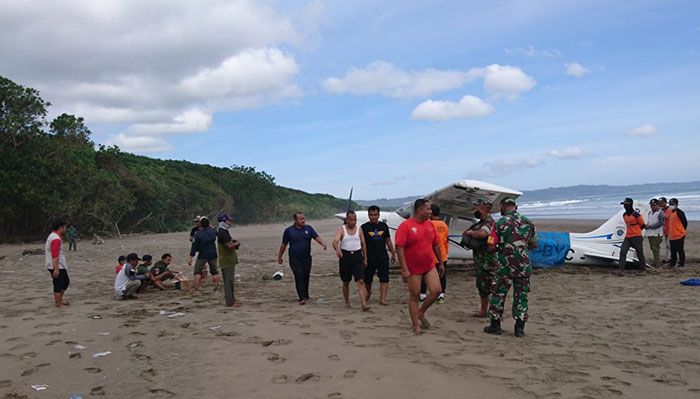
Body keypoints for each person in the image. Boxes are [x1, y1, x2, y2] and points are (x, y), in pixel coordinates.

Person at [484, 197, 537, 337]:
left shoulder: (499, 224)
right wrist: (521, 249)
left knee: (498, 295)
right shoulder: (528, 222)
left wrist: (502, 248)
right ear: (516, 207)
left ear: (502, 207)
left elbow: (490, 246)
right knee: (521, 296)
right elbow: (533, 244)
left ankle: (495, 326)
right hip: (523, 266)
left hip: (504, 266)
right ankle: (519, 329)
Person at [395, 199, 445, 335]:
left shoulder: (430, 225)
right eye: (428, 209)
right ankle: (415, 325)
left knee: (436, 291)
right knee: (415, 295)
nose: (430, 212)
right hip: (412, 267)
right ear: (419, 210)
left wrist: (440, 262)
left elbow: (436, 244)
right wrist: (404, 268)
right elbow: (399, 247)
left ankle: (421, 312)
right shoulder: (406, 226)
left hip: (429, 265)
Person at [277, 212, 327, 305]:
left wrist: (322, 243)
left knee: (306, 276)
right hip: (294, 258)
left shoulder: (309, 228)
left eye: (303, 218)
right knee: (298, 275)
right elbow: (284, 244)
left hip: (307, 257)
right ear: (295, 220)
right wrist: (280, 256)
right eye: (300, 219)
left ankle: (305, 294)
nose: (303, 220)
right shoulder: (289, 231)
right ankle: (301, 298)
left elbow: (316, 237)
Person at [463, 199, 497, 317]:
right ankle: (484, 311)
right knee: (482, 287)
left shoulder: (488, 222)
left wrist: (470, 233)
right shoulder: (482, 222)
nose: (475, 210)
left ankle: (491, 311)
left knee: (489, 287)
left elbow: (483, 234)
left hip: (487, 261)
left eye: (477, 207)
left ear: (482, 209)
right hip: (481, 261)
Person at [333, 211, 370, 311]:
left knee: (360, 281)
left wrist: (365, 258)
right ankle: (347, 301)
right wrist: (337, 249)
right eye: (351, 220)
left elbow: (363, 244)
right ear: (347, 219)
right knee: (346, 281)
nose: (353, 222)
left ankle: (363, 304)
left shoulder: (359, 229)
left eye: (355, 220)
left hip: (357, 256)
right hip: (345, 256)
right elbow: (335, 241)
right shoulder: (342, 229)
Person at [360, 205, 396, 305]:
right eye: (371, 215)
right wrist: (364, 257)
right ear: (368, 215)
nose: (373, 217)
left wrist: (393, 253)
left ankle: (383, 298)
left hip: (382, 256)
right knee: (367, 279)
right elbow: (362, 244)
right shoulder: (364, 227)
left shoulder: (384, 226)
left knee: (384, 278)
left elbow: (388, 240)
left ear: (378, 215)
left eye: (375, 215)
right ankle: (368, 292)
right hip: (369, 257)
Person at [420, 204, 449, 304]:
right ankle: (441, 295)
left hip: (430, 255)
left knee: (424, 275)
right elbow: (446, 240)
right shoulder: (444, 225)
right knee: (442, 276)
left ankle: (422, 294)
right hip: (443, 255)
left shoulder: (429, 224)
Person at [188, 216, 221, 291]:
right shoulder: (213, 232)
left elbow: (194, 246)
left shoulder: (198, 234)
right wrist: (209, 225)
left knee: (197, 272)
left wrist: (190, 257)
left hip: (203, 254)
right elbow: (216, 230)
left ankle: (196, 287)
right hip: (213, 253)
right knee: (214, 271)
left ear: (201, 224)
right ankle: (216, 286)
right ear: (208, 224)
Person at [616, 198, 647, 275]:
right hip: (628, 236)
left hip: (636, 236)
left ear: (630, 205)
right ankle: (621, 269)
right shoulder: (624, 215)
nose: (625, 206)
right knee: (623, 252)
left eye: (626, 204)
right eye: (624, 204)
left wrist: (636, 231)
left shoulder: (636, 215)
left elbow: (642, 225)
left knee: (639, 252)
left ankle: (643, 269)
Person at [217, 213, 241, 307]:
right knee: (228, 281)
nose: (230, 222)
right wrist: (237, 243)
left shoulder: (223, 231)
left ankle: (232, 299)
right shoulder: (223, 232)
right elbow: (229, 246)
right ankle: (230, 302)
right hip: (227, 260)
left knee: (229, 281)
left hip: (227, 260)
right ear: (223, 222)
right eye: (228, 220)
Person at [45, 219, 70, 307]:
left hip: (58, 264)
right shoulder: (55, 238)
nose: (66, 229)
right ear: (60, 228)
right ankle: (58, 303)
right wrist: (56, 268)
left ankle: (59, 300)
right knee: (58, 284)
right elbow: (54, 254)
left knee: (65, 282)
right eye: (65, 227)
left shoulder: (54, 236)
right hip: (56, 265)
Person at [644, 199, 665, 268]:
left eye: (654, 205)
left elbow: (661, 223)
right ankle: (656, 261)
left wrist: (651, 226)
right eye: (651, 205)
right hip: (650, 233)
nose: (652, 206)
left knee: (655, 248)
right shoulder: (650, 212)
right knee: (653, 248)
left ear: (657, 205)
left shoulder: (660, 212)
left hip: (657, 233)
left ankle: (657, 263)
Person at [667, 198, 688, 268]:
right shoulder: (671, 212)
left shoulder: (679, 212)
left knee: (680, 249)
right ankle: (672, 263)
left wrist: (681, 230)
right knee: (673, 250)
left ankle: (681, 263)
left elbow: (685, 222)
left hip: (679, 234)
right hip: (672, 235)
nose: (671, 206)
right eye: (670, 204)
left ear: (676, 204)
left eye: (672, 204)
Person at [658, 197, 672, 264]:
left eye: (661, 203)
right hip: (665, 229)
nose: (660, 204)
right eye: (659, 203)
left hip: (670, 229)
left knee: (669, 245)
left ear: (665, 203)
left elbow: (665, 217)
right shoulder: (661, 210)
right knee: (667, 245)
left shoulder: (669, 210)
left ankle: (669, 258)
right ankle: (667, 257)